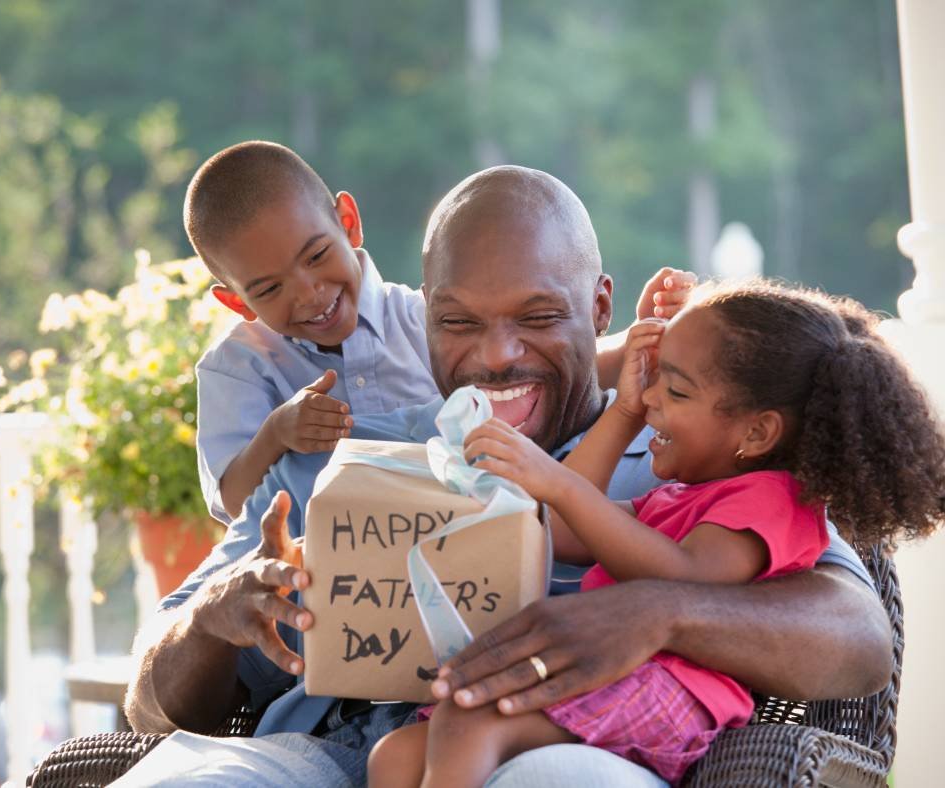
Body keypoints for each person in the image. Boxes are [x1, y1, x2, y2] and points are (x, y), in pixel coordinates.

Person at [121, 166, 892, 788]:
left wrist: (660, 612)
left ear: (598, 310)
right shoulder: (337, 454)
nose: (496, 356)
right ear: (423, 319)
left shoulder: (687, 460)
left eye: (535, 317)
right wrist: (216, 617)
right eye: (458, 322)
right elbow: (150, 703)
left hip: (562, 745)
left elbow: (859, 640)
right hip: (326, 755)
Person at [367, 281, 945, 787]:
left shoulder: (773, 501)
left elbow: (685, 578)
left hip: (671, 692)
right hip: (621, 679)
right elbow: (566, 531)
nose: (652, 402)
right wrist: (622, 414)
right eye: (655, 383)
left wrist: (559, 484)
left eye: (677, 390)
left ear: (758, 431)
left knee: (469, 719)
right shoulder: (679, 499)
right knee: (396, 755)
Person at [184, 140, 695, 522]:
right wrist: (277, 435)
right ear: (236, 301)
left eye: (316, 257)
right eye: (270, 289)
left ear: (349, 222)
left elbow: (558, 368)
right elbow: (233, 508)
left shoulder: (415, 317)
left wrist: (648, 338)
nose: (309, 293)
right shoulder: (243, 369)